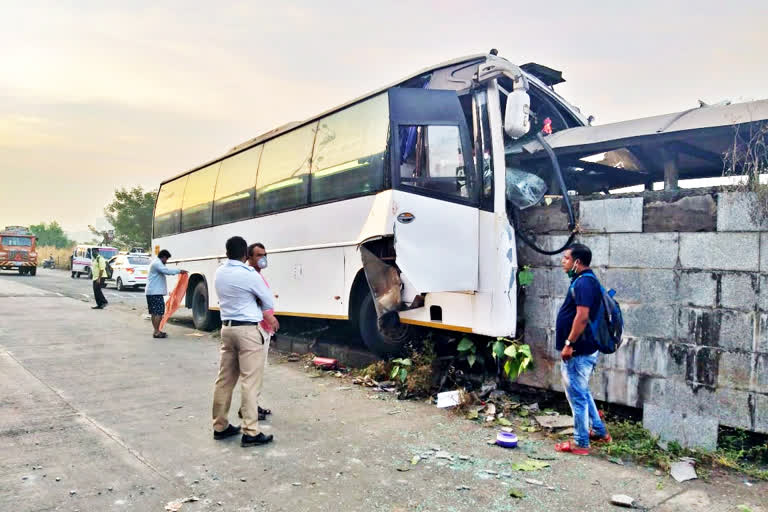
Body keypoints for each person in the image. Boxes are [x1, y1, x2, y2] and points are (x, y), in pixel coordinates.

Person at [212, 236, 279, 448]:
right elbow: (268, 301)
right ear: (245, 255)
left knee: (225, 380)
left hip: (227, 329)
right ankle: (250, 432)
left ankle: (220, 426)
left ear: (226, 252)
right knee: (250, 382)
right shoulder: (249, 275)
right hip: (248, 332)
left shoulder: (219, 272)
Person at [554, 243, 611, 455]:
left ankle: (581, 443)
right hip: (584, 349)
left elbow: (582, 316)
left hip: (578, 351)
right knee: (582, 391)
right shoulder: (585, 281)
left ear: (577, 262)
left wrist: (569, 344)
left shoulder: (584, 283)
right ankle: (599, 430)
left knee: (576, 397)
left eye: (566, 258)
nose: (563, 261)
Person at [243, 242, 278, 420]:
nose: (262, 258)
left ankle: (252, 405)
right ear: (248, 257)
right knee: (254, 372)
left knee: (258, 371)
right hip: (257, 328)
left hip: (264, 329)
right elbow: (257, 303)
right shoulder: (251, 276)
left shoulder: (258, 275)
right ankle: (249, 409)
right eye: (258, 255)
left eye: (264, 255)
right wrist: (270, 318)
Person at [145, 249, 187, 338]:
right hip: (155, 293)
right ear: (163, 257)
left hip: (151, 292)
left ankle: (156, 331)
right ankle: (157, 332)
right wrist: (179, 271)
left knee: (154, 313)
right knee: (159, 312)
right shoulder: (157, 264)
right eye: (166, 259)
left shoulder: (155, 263)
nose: (166, 262)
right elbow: (167, 271)